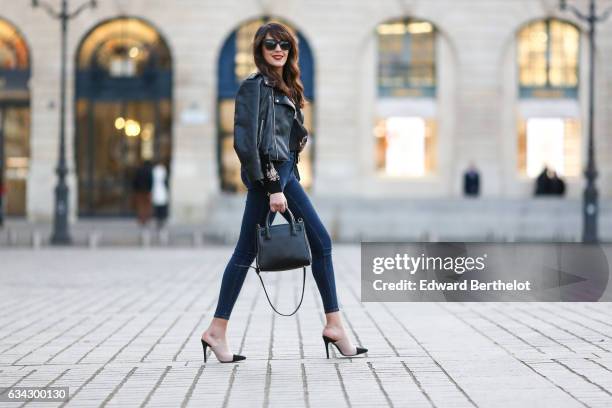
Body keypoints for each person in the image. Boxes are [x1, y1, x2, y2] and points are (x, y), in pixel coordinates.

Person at [200, 22, 368, 363]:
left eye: (285, 45)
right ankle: (332, 325)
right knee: (304, 245)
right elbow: (248, 144)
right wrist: (274, 187)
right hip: (272, 179)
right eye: (270, 44)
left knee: (262, 250)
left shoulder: (284, 86)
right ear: (259, 49)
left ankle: (219, 331)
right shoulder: (254, 86)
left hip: (286, 175)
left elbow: (283, 136)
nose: (278, 49)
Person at [132, 160, 153, 225]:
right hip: (147, 191)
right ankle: (147, 219)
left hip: (140, 191)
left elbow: (135, 180)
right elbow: (151, 181)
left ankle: (141, 219)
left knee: (140, 205)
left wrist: (135, 189)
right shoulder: (150, 171)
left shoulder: (139, 170)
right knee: (147, 206)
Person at [151, 160, 169, 230]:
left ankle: (159, 220)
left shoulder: (155, 170)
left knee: (158, 208)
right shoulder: (162, 170)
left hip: (158, 191)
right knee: (161, 208)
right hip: (161, 191)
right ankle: (160, 220)